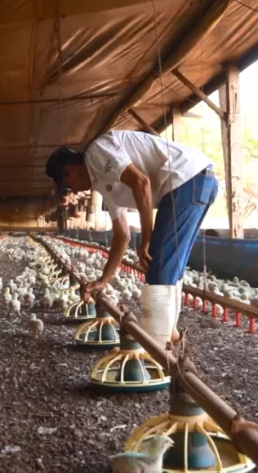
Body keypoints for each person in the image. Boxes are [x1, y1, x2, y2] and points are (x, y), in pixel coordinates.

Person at [45, 129, 218, 348]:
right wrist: (103, 280)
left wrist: (146, 238)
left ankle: (157, 345)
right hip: (197, 181)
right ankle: (169, 336)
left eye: (68, 186)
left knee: (159, 263)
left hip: (187, 178)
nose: (74, 191)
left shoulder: (97, 152)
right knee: (170, 266)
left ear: (69, 171)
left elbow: (141, 182)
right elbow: (122, 234)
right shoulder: (101, 182)